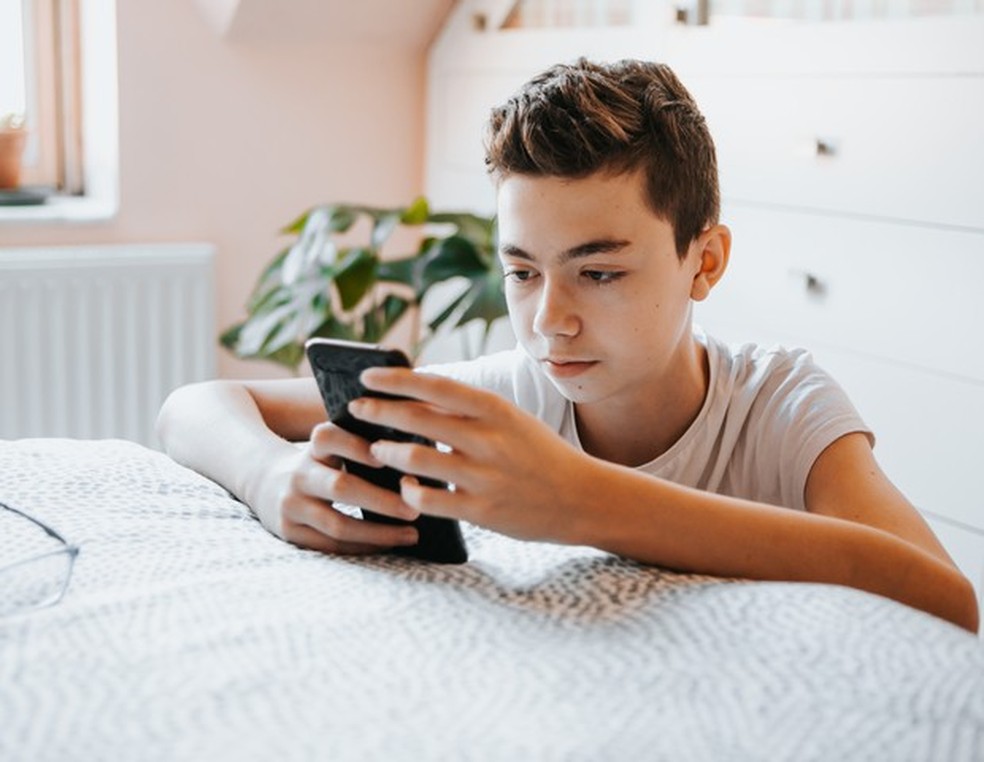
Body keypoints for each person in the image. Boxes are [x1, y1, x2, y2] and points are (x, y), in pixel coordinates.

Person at [157, 58, 978, 633]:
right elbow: (193, 406)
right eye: (522, 273)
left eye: (601, 273)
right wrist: (266, 475)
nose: (550, 320)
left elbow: (949, 602)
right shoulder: (516, 393)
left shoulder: (783, 404)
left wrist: (580, 500)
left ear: (706, 260)